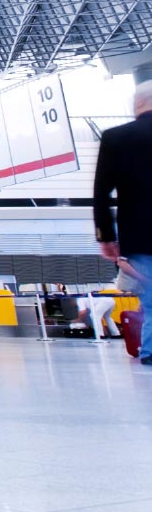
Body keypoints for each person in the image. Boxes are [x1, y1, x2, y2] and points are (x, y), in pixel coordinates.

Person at [93, 82, 152, 365]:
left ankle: (151, 351)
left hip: (140, 236)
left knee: (151, 300)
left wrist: (106, 235)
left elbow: (101, 190)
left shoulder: (116, 137)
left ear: (136, 105)